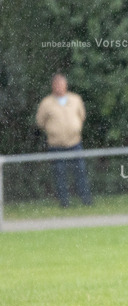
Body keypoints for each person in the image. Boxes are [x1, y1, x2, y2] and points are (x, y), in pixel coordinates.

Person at [35, 73, 92, 207]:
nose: (59, 87)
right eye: (56, 84)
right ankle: (64, 203)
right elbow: (40, 122)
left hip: (75, 143)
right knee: (60, 175)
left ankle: (86, 201)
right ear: (52, 86)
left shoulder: (75, 99)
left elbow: (82, 116)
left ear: (65, 85)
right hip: (56, 145)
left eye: (61, 84)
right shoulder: (46, 103)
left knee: (80, 173)